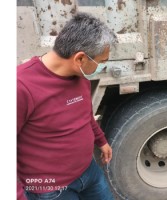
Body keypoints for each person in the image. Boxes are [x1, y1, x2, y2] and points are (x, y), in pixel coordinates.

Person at [17, 12, 117, 200]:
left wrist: (101, 140)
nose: (103, 66)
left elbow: (85, 115)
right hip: (50, 189)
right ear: (80, 58)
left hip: (89, 172)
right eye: (102, 62)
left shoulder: (80, 76)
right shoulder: (20, 86)